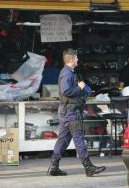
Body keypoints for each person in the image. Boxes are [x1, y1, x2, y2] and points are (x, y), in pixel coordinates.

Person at [47, 48, 106, 177]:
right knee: (79, 138)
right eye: (77, 58)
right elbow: (65, 91)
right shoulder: (67, 74)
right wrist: (79, 88)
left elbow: (78, 91)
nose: (78, 59)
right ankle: (88, 167)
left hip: (67, 111)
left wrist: (84, 89)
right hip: (70, 112)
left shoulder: (69, 73)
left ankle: (54, 167)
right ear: (72, 59)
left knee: (63, 140)